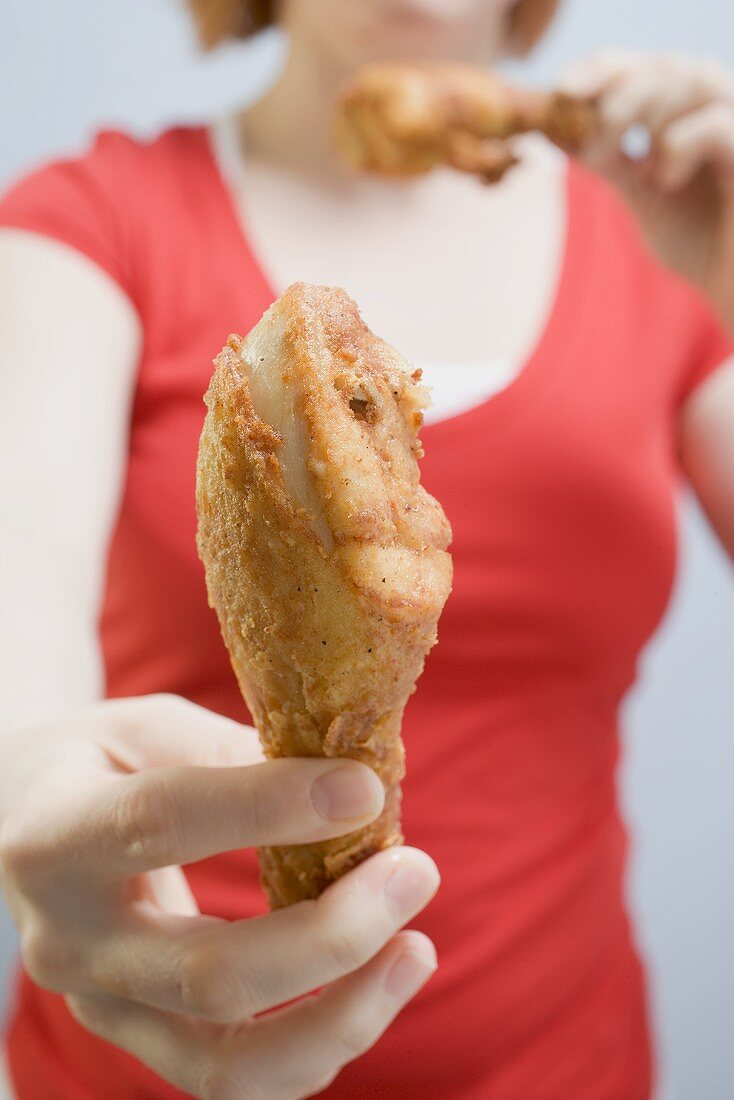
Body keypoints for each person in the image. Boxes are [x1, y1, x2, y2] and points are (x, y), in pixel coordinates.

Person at [0, 0, 733, 1097]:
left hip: (563, 1063)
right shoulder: (90, 224)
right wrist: (28, 779)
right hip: (141, 1059)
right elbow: (21, 618)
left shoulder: (667, 237)